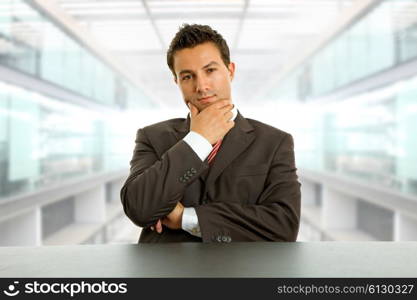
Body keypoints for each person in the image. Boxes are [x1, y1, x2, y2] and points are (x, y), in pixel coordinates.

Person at [120, 24, 301, 243]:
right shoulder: (152, 137)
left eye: (210, 70)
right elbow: (140, 208)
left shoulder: (274, 142)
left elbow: (283, 226)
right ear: (176, 81)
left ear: (230, 71)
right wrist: (198, 140)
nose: (201, 86)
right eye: (187, 76)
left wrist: (185, 218)